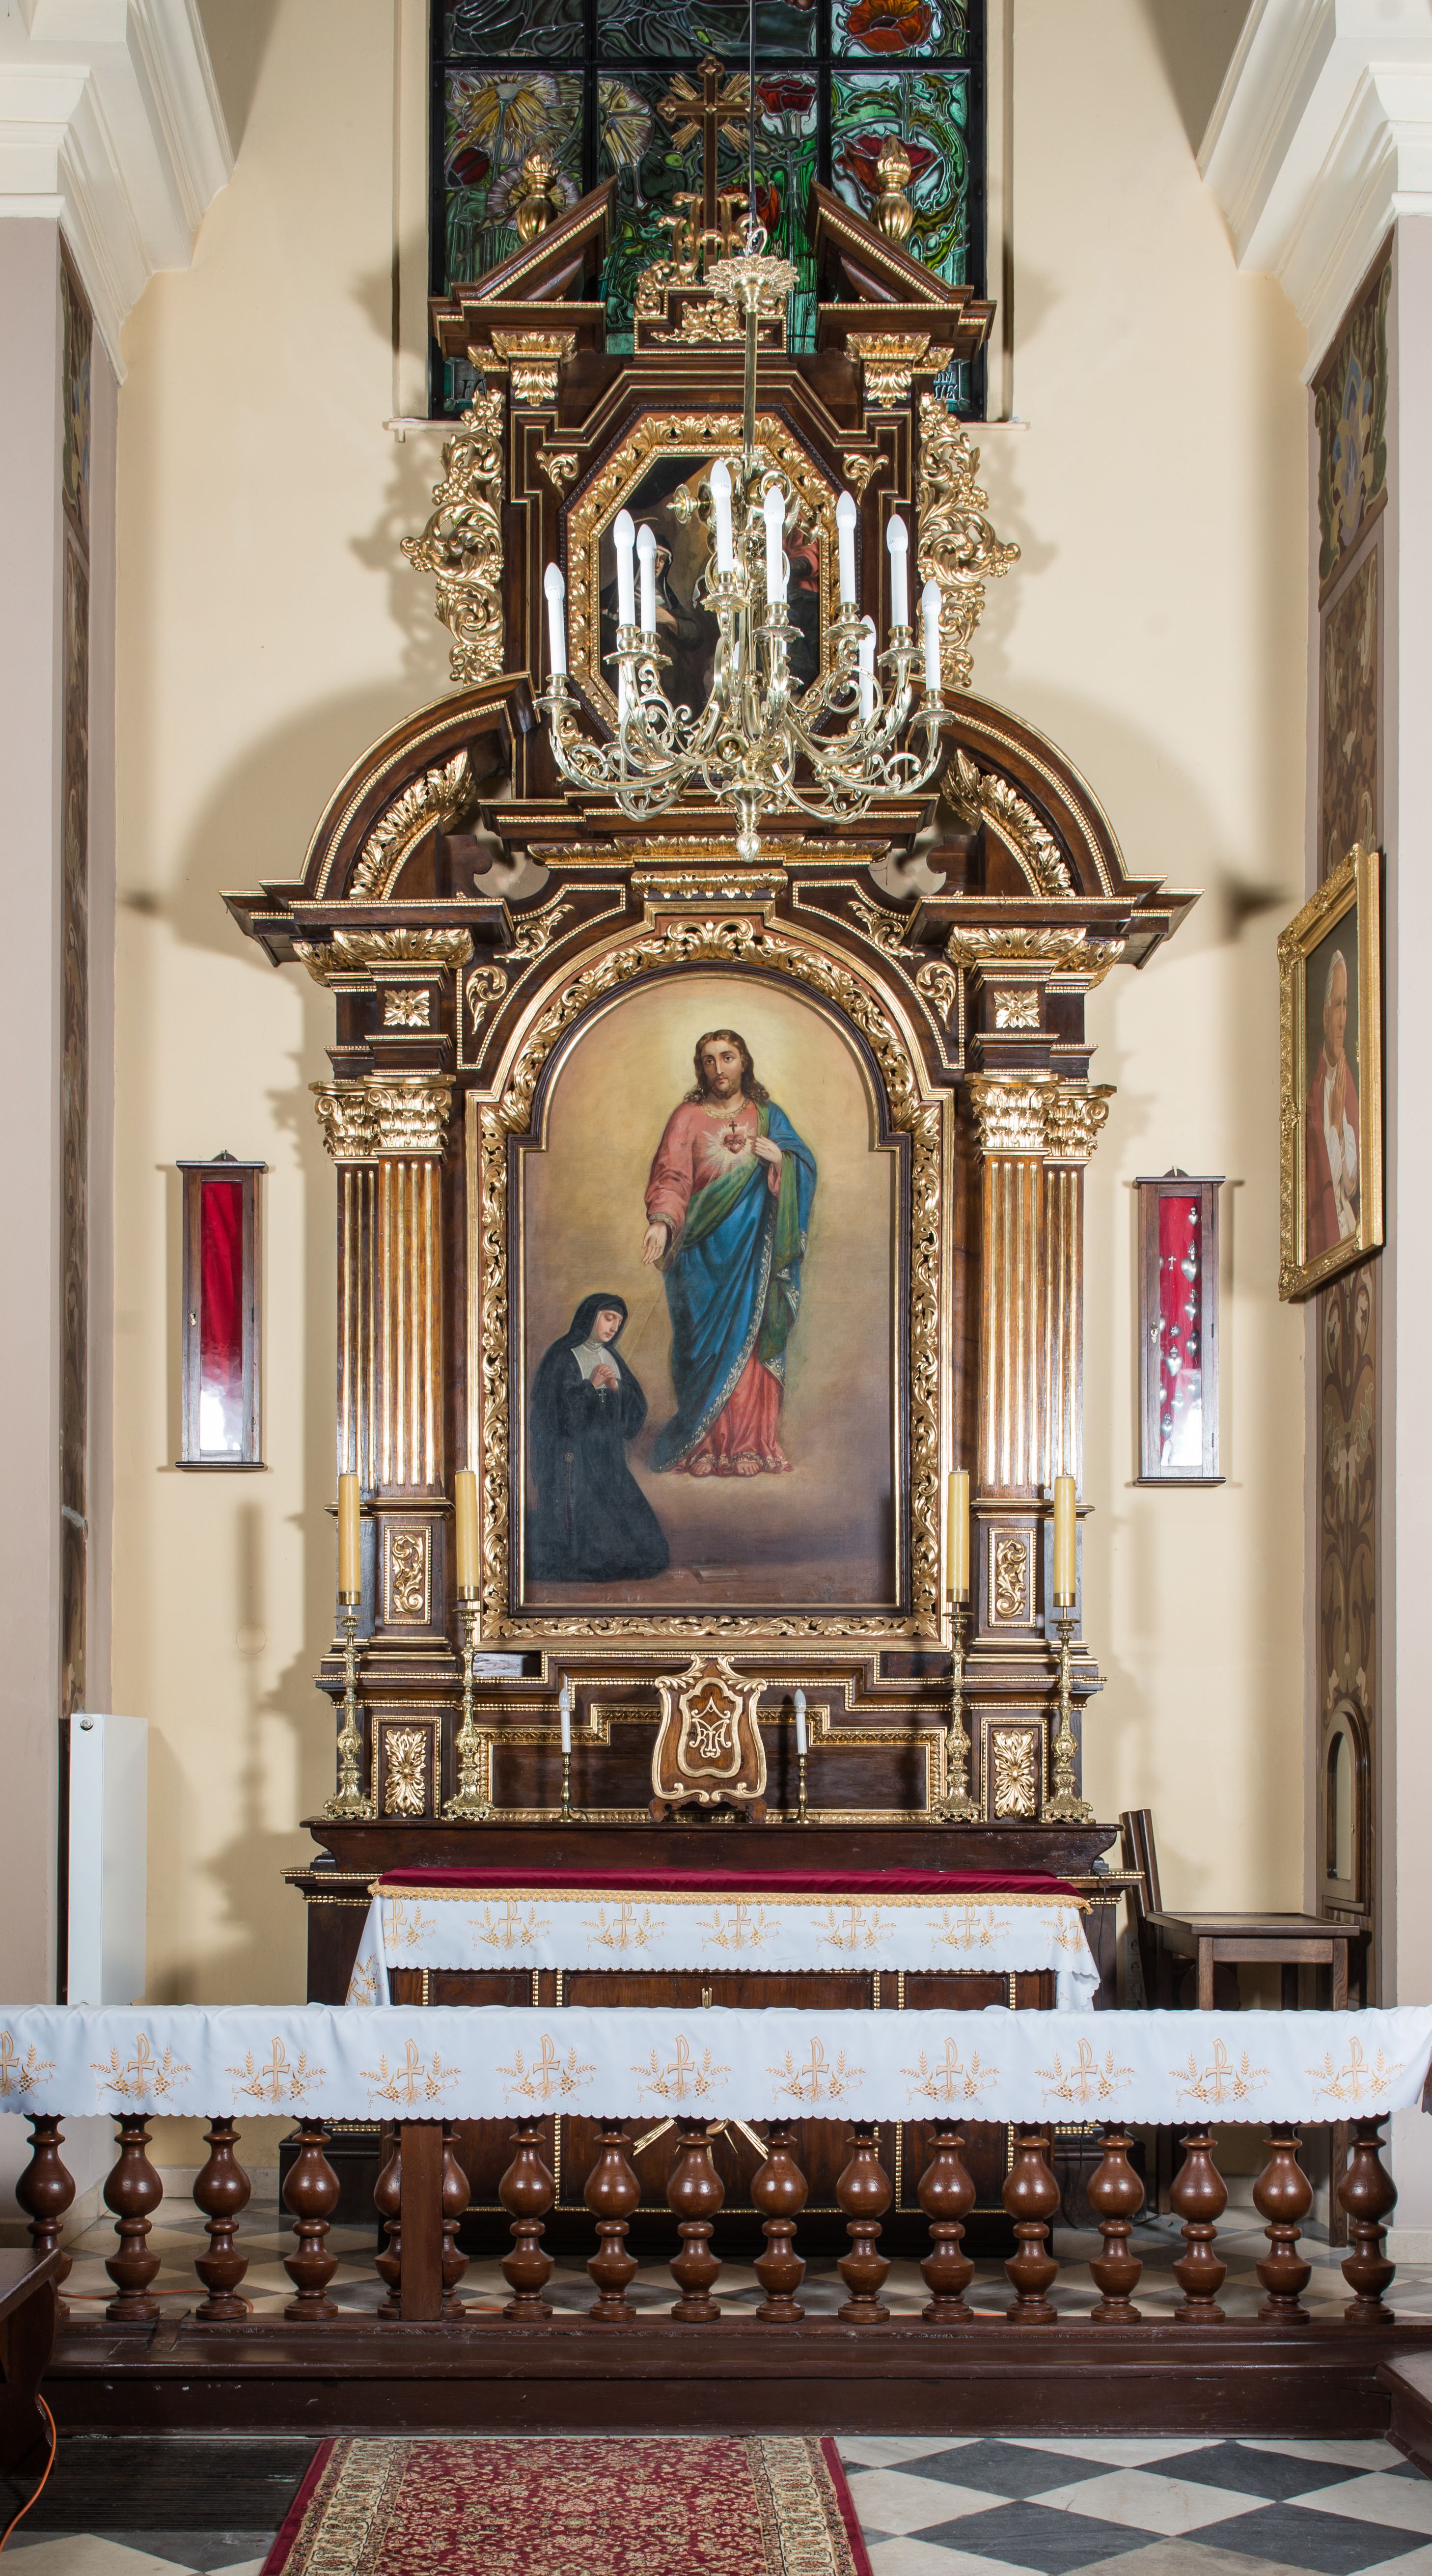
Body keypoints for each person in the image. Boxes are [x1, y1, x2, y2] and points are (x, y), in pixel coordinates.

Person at [642, 1029, 817, 1476]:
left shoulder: (768, 1115)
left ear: (744, 1062)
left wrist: (781, 1161)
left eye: (727, 1057)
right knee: (701, 1345)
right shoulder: (687, 1117)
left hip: (754, 1251)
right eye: (709, 1060)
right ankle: (702, 1445)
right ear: (700, 1067)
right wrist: (661, 1221)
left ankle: (749, 1445)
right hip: (699, 1254)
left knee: (751, 1343)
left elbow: (803, 1164)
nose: (718, 1068)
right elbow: (671, 1175)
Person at [527, 1294, 669, 1582]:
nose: (614, 1327)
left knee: (648, 1549)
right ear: (591, 1317)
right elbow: (558, 1418)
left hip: (609, 1458)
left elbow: (633, 1417)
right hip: (574, 1458)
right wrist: (590, 1386)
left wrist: (617, 1389)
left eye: (619, 1321)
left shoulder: (611, 1357)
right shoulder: (562, 1356)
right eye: (609, 1318)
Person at [1306, 946, 1360, 1260]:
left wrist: (1342, 1129)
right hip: (1328, 1232)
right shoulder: (1315, 1092)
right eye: (1337, 1006)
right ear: (1326, 1016)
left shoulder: (1347, 1080)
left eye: (1346, 1006)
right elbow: (1324, 1181)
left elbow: (1350, 1185)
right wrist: (1337, 1125)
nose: (1342, 1021)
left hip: (1348, 1231)